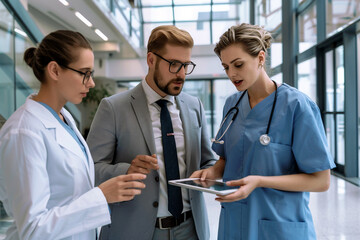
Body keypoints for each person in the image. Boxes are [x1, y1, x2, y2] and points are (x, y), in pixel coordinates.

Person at [191, 23, 336, 240]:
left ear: (260, 58)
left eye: (238, 64)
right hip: (234, 222)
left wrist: (260, 181)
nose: (232, 74)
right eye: (226, 67)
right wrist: (212, 172)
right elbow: (225, 159)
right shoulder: (232, 104)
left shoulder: (297, 106)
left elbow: (321, 181)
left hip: (278, 225)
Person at [0, 30, 146, 240]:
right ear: (55, 70)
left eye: (91, 73)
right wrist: (101, 197)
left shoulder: (64, 118)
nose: (92, 83)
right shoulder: (24, 132)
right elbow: (33, 229)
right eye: (84, 73)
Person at [86, 25, 216, 240]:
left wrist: (208, 175)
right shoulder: (113, 107)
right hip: (134, 231)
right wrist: (127, 171)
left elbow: (208, 161)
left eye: (186, 65)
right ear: (151, 60)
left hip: (190, 230)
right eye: (174, 65)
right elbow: (90, 170)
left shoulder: (195, 106)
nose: (182, 74)